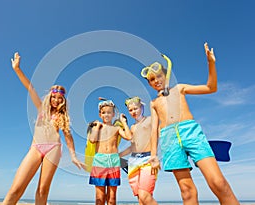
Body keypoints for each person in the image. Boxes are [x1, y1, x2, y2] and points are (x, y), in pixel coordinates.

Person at [142, 42, 240, 205]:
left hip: (190, 132)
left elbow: (211, 88)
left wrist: (211, 63)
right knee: (187, 192)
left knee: (218, 183)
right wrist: (153, 155)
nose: (156, 81)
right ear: (150, 84)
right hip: (168, 140)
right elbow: (154, 130)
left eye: (159, 76)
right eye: (152, 79)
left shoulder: (179, 89)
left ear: (166, 76)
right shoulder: (154, 103)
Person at [2, 52, 84, 205]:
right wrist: (17, 69)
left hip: (53, 149)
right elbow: (30, 88)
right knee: (15, 189)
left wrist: (73, 156)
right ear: (50, 97)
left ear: (63, 101)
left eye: (60, 98)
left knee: (42, 190)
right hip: (35, 148)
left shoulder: (62, 117)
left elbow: (68, 137)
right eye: (54, 97)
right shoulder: (41, 109)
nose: (56, 100)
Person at [88, 99, 131, 205]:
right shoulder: (97, 128)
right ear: (100, 114)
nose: (106, 114)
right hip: (100, 161)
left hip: (113, 161)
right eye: (103, 112)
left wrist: (124, 123)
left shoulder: (116, 128)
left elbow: (129, 137)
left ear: (113, 114)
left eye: (109, 112)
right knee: (100, 198)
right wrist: (97, 126)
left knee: (112, 199)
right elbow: (92, 140)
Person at [119, 96, 159, 205]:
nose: (133, 112)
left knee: (144, 195)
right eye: (130, 110)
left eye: (135, 108)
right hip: (133, 161)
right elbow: (133, 146)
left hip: (148, 159)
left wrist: (154, 156)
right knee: (140, 199)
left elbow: (156, 135)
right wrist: (119, 155)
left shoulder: (151, 120)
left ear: (141, 107)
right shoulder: (132, 127)